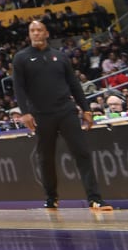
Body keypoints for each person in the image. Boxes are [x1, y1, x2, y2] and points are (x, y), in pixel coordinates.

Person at [12, 17, 112, 210]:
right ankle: (51, 198)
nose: (36, 33)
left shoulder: (60, 56)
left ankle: (95, 199)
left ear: (47, 33)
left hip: (66, 111)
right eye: (32, 30)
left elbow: (74, 84)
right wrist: (25, 113)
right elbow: (19, 87)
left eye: (39, 30)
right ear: (29, 34)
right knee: (46, 158)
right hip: (41, 114)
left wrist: (86, 109)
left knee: (82, 153)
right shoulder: (21, 58)